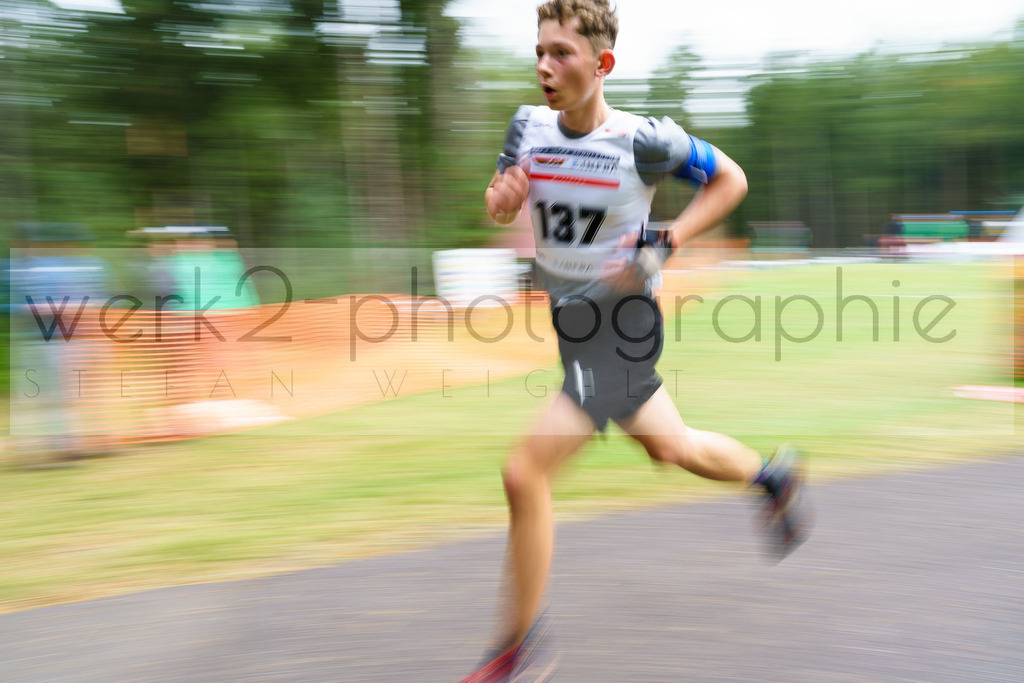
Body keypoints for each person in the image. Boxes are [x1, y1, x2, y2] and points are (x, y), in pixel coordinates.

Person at [462, 1, 811, 680]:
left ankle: (515, 647)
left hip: (620, 326)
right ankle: (772, 477)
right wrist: (502, 197)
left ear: (602, 64)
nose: (543, 65)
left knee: (523, 472)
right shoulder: (527, 126)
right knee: (669, 447)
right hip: (572, 327)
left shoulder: (645, 142)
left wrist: (669, 238)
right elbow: (503, 194)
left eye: (561, 52)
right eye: (539, 51)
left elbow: (731, 179)